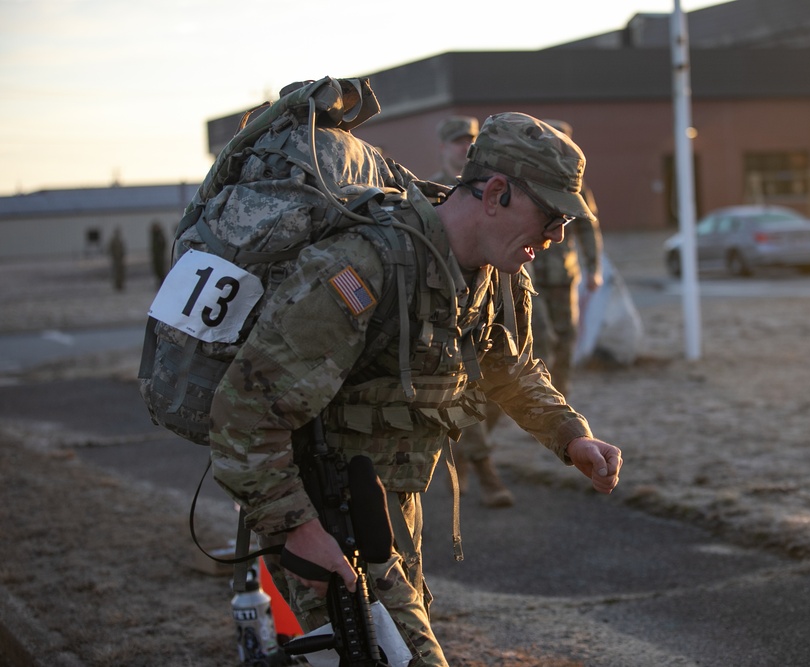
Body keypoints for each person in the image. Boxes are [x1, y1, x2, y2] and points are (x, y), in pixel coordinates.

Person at [209, 112, 623, 666]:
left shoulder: (494, 273)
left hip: (393, 511)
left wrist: (572, 437)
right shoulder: (366, 265)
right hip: (329, 517)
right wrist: (298, 530)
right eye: (550, 216)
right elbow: (243, 412)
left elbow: (511, 368)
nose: (557, 237)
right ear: (496, 193)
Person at [427, 114, 516, 508]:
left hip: (485, 304)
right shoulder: (428, 191)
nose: (466, 147)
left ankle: (463, 451)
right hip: (441, 308)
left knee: (496, 383)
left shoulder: (493, 191)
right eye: (458, 141)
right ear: (444, 147)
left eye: (472, 140)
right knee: (463, 385)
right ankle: (486, 471)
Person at [532, 119, 604, 397]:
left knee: (566, 339)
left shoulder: (576, 185)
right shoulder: (530, 179)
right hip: (532, 277)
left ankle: (559, 399)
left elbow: (588, 228)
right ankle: (539, 402)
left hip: (563, 274)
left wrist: (593, 268)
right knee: (540, 341)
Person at [427, 115, 478, 185]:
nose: (466, 148)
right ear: (443, 147)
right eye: (459, 142)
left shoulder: (484, 183)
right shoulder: (432, 188)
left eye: (470, 142)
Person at [149, 220, 168, 287]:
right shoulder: (154, 236)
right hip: (156, 256)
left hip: (160, 257)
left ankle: (162, 283)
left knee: (161, 271)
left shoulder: (159, 236)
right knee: (157, 270)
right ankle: (159, 283)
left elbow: (163, 245)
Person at [108, 227, 126, 291]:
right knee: (116, 272)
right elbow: (110, 249)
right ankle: (117, 284)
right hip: (116, 259)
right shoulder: (113, 241)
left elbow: (122, 249)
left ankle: (121, 284)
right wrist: (113, 257)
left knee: (121, 272)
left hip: (120, 259)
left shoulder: (120, 241)